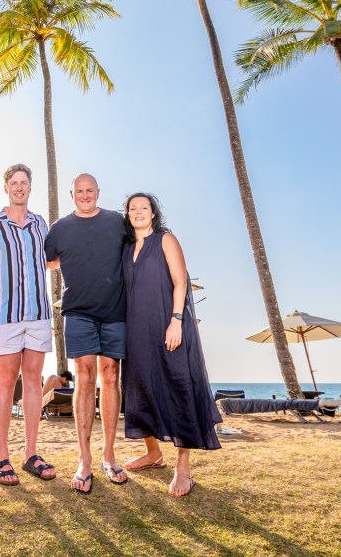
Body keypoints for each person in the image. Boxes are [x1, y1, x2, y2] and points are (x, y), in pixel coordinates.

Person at [120, 192, 221, 498]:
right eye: (133, 208)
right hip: (136, 330)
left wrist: (176, 320)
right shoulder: (125, 249)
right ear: (127, 214)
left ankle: (183, 469)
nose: (138, 212)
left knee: (179, 387)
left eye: (144, 208)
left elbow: (180, 282)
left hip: (169, 324)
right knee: (138, 391)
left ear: (153, 213)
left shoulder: (165, 239)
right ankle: (153, 454)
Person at [44, 173, 129, 493]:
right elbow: (44, 261)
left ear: (98, 192)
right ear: (72, 194)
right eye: (79, 191)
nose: (84, 195)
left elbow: (141, 249)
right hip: (78, 311)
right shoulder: (60, 228)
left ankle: (109, 454)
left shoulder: (117, 222)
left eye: (89, 190)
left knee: (110, 376)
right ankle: (85, 459)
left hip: (115, 311)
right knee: (83, 375)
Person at [0, 163, 57, 485]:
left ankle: (31, 455)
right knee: (7, 382)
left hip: (38, 314)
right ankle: (1, 456)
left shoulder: (41, 225)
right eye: (14, 182)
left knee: (34, 380)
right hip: (6, 317)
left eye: (24, 182)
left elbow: (51, 260)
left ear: (29, 187)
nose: (19, 187)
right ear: (6, 187)